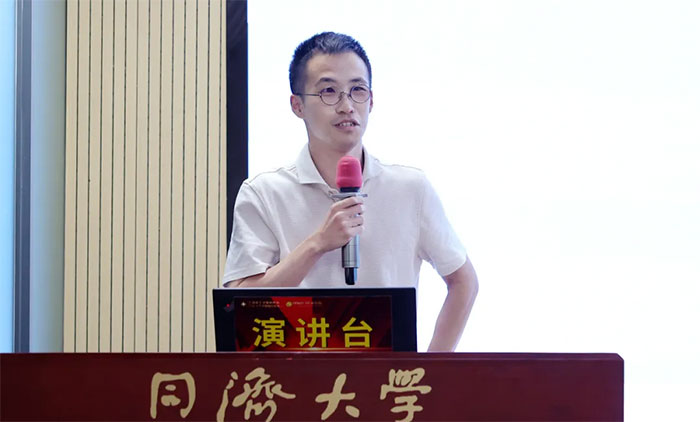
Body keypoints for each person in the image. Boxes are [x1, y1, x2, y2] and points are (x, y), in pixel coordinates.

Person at [223, 32, 478, 351]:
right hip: (296, 378)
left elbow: (464, 281)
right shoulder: (263, 193)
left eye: (357, 90)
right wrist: (317, 244)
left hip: (388, 379)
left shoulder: (410, 188)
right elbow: (240, 304)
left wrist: (430, 369)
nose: (346, 106)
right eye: (328, 91)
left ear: (371, 100)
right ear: (297, 105)